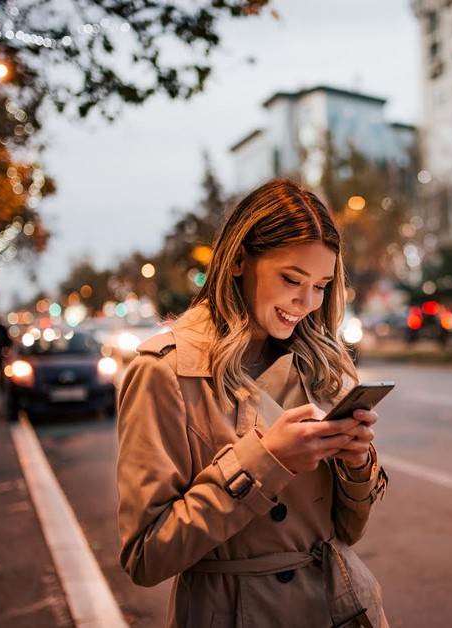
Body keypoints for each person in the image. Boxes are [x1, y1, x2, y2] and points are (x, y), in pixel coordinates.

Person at [116, 179, 389, 628]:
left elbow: (348, 533)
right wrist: (266, 460)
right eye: (290, 279)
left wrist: (357, 461)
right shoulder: (165, 371)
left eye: (320, 285)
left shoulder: (320, 366)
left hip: (337, 608)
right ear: (239, 259)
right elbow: (146, 556)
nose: (305, 303)